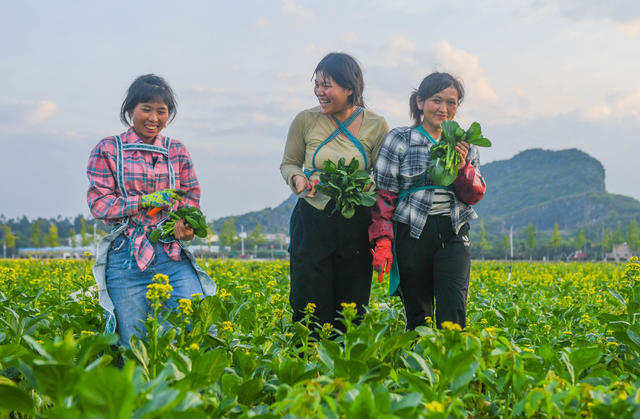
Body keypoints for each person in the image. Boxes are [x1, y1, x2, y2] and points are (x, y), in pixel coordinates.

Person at [87, 74, 216, 347]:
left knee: (199, 327)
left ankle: (194, 389)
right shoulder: (109, 149)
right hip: (125, 257)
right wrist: (144, 201)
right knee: (135, 344)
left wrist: (185, 224)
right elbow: (99, 204)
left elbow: (190, 198)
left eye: (161, 111)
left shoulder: (176, 151)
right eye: (146, 109)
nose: (153, 118)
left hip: (170, 253)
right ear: (130, 110)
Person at [280, 52, 389, 331]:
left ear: (349, 88)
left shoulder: (377, 126)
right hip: (312, 218)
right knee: (308, 299)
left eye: (326, 85)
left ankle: (343, 366)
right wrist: (298, 180)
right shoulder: (306, 120)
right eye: (317, 85)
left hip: (357, 222)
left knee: (351, 303)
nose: (319, 92)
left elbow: (385, 180)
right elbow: (290, 163)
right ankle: (306, 363)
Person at [369, 72, 486, 330]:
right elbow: (384, 195)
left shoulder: (464, 143)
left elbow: (473, 195)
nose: (443, 109)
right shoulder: (400, 139)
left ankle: (449, 367)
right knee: (418, 314)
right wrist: (384, 242)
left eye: (451, 102)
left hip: (453, 230)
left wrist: (461, 165)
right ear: (420, 102)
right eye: (436, 100)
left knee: (453, 311)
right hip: (411, 232)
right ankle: (420, 368)